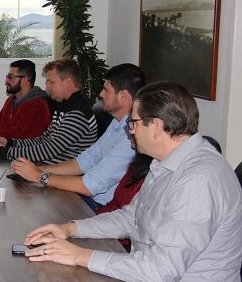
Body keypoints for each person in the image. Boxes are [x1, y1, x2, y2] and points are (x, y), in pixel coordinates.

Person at [22, 82, 242, 282]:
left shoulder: (198, 180)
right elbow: (131, 217)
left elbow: (161, 270)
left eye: (134, 123)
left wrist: (80, 255)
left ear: (155, 126)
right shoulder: (164, 163)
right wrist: (70, 228)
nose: (130, 130)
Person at [11, 63, 144, 211]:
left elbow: (91, 185)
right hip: (87, 197)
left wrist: (39, 176)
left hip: (101, 207)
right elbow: (83, 162)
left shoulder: (132, 137)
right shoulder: (117, 123)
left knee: (30, 207)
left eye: (106, 90)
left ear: (124, 96)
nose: (101, 94)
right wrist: (38, 169)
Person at [0, 57, 97, 164]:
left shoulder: (77, 114)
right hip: (45, 170)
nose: (47, 88)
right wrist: (11, 142)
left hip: (58, 177)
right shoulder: (64, 107)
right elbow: (44, 140)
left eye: (51, 82)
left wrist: (6, 152)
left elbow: (48, 150)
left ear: (68, 82)